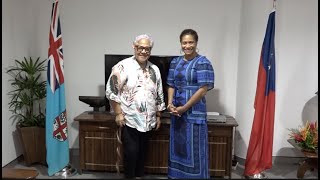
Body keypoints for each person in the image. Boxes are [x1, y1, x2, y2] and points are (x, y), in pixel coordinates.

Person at [105, 34, 166, 179]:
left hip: (149, 121)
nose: (144, 51)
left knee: (143, 153)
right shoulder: (122, 66)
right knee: (131, 154)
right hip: (130, 120)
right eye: (141, 48)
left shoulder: (155, 69)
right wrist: (118, 113)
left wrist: (158, 116)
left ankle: (139, 177)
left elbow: (159, 94)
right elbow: (111, 92)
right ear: (134, 47)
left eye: (147, 49)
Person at [166, 29, 215, 179]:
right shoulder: (175, 62)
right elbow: (171, 84)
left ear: (196, 43)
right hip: (177, 113)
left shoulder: (203, 62)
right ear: (180, 44)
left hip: (193, 113)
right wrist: (169, 104)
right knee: (178, 149)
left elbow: (203, 89)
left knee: (195, 151)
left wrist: (185, 108)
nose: (187, 46)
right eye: (184, 43)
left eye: (190, 42)